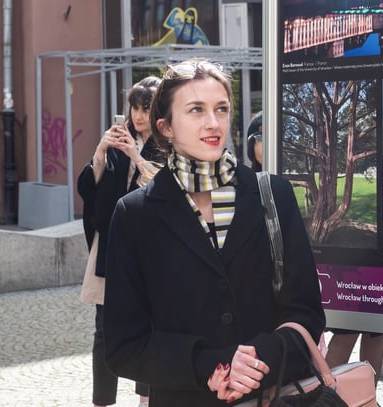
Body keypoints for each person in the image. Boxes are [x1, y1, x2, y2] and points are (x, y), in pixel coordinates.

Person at [102, 59, 325, 407]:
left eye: (221, 109)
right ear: (166, 126)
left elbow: (307, 314)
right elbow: (123, 345)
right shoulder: (135, 214)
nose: (213, 122)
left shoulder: (273, 195)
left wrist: (256, 363)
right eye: (196, 110)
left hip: (274, 397)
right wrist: (212, 366)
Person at [78, 75, 163, 407]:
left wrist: (136, 156)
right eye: (134, 107)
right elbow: (88, 188)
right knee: (104, 326)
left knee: (151, 323)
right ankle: (102, 400)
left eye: (145, 107)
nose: (139, 115)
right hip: (110, 245)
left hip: (149, 251)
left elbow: (166, 189)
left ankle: (146, 399)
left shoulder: (166, 143)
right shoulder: (117, 141)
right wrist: (101, 150)